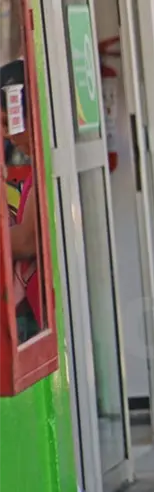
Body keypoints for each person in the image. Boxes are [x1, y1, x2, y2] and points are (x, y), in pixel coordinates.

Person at [1, 59, 41, 343]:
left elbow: (28, 239)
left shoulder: (46, 168)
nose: (8, 134)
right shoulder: (37, 167)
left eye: (9, 121)